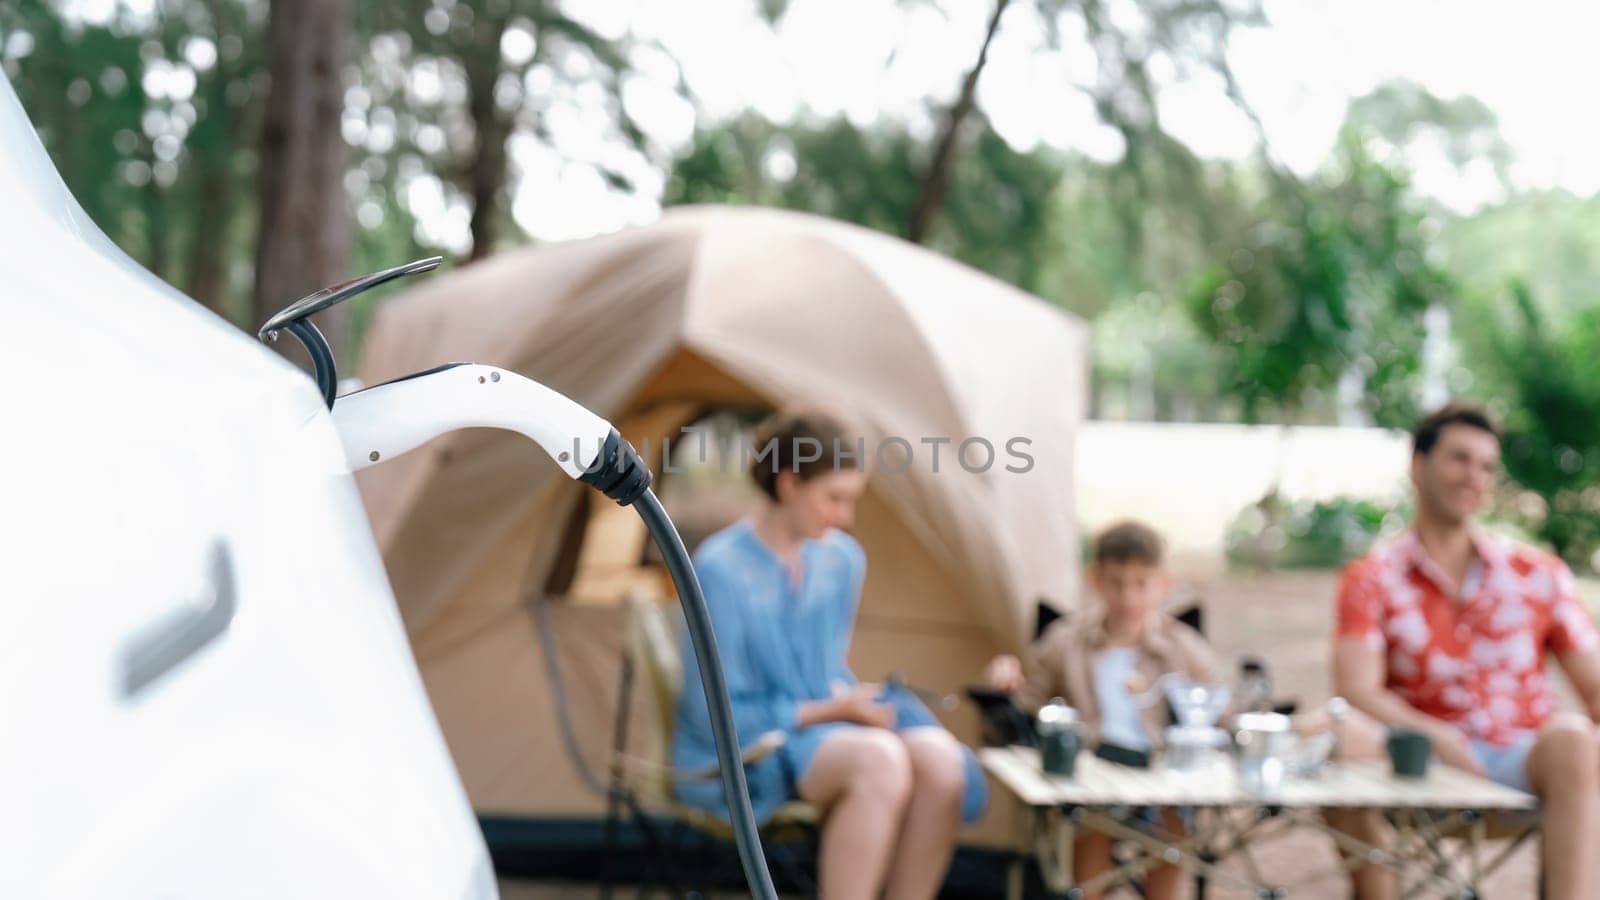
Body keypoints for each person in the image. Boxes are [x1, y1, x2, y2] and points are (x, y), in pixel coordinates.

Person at [672, 405, 987, 900]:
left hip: (825, 726)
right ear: (789, 484)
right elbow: (710, 712)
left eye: (851, 499)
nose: (845, 517)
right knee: (880, 760)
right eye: (834, 498)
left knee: (941, 762)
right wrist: (835, 709)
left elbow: (824, 671)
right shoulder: (719, 570)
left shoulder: (841, 559)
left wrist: (852, 702)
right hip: (746, 750)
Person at [1332, 402, 1600, 900]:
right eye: (1459, 459)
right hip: (1412, 761)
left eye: (1486, 466)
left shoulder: (1538, 574)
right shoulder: (1371, 577)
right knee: (1332, 730)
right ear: (1418, 465)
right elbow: (1356, 689)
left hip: (1520, 759)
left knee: (1576, 739)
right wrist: (1435, 736)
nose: (1473, 476)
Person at [985, 520, 1213, 900]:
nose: (1128, 597)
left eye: (1140, 584)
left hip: (1159, 767)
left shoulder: (1180, 645)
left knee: (1175, 818)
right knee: (1091, 817)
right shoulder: (1067, 640)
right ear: (1096, 580)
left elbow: (1214, 707)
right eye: (1116, 582)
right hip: (1092, 764)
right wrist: (1007, 681)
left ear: (1162, 585)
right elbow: (1030, 702)